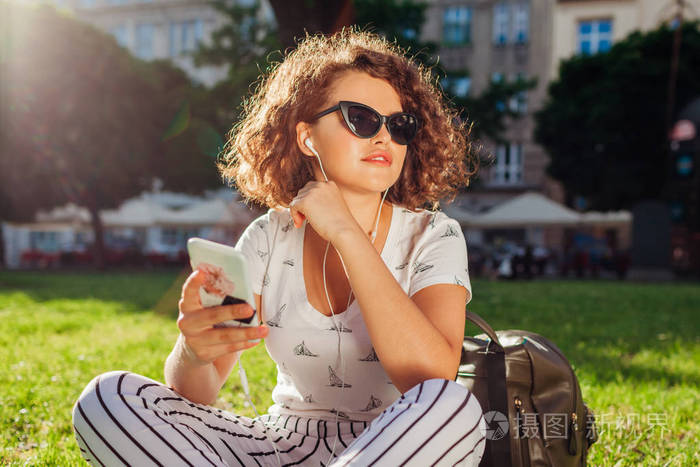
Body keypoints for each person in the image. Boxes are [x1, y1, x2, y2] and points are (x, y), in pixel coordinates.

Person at [71, 27, 486, 466]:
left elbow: (429, 377)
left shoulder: (435, 236)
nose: (383, 137)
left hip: (394, 445)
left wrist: (346, 233)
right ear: (307, 137)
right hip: (278, 444)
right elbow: (197, 393)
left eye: (399, 126)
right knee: (108, 397)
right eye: (361, 119)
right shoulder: (269, 236)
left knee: (453, 406)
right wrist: (192, 352)